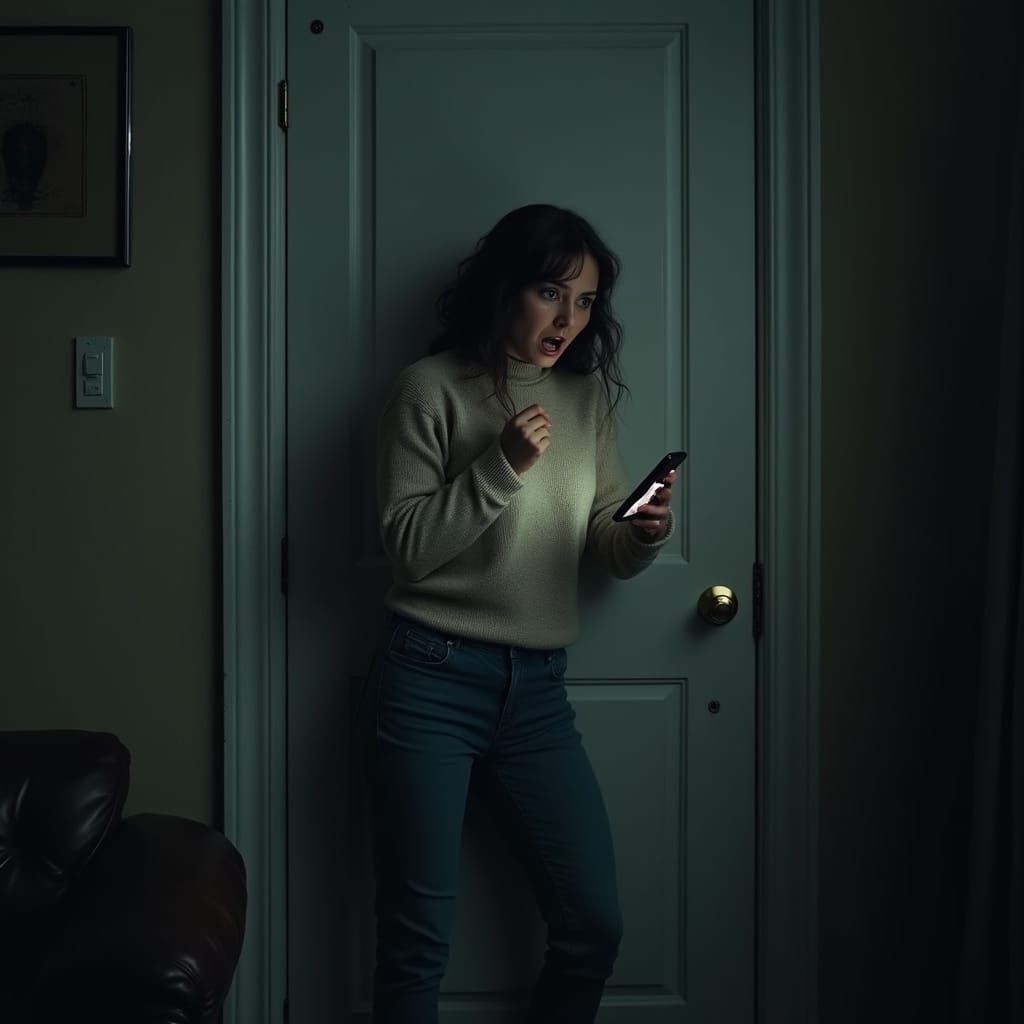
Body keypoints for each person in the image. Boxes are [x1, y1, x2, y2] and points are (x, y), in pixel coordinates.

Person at [361, 203, 677, 1023]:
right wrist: (500, 464)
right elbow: (405, 546)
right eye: (550, 293)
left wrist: (642, 532)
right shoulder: (429, 389)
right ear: (506, 287)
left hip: (537, 690)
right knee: (417, 939)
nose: (567, 320)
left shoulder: (583, 401)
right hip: (429, 678)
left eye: (584, 302)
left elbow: (602, 544)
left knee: (593, 923)